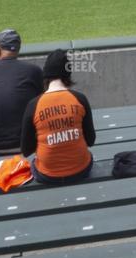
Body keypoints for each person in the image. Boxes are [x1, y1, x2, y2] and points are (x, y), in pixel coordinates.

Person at [20, 49, 97, 184]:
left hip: (47, 175)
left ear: (45, 77)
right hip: (81, 170)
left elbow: (26, 150)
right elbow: (90, 140)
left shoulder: (34, 105)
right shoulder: (79, 99)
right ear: (68, 76)